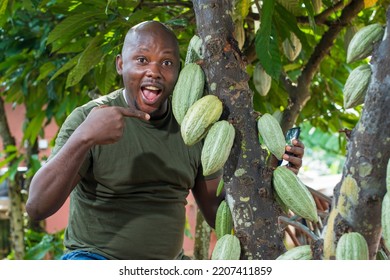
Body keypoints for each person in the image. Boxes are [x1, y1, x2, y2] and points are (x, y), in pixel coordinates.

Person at [26, 21, 305, 260]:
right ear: (121, 65)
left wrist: (277, 174)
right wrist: (84, 138)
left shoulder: (193, 127)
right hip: (93, 260)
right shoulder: (89, 119)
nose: (154, 72)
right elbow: (37, 207)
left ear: (179, 71)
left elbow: (215, 214)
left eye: (167, 63)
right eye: (142, 60)